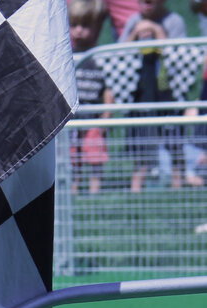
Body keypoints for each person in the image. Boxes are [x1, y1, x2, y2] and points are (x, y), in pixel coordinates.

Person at [120, 0, 184, 191]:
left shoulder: (174, 21)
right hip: (141, 92)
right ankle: (136, 188)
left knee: (173, 139)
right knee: (140, 140)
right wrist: (134, 34)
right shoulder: (134, 21)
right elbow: (118, 55)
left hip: (168, 91)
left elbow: (180, 58)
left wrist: (158, 33)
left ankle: (177, 185)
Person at [70, 0, 112, 195]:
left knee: (95, 154)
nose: (79, 30)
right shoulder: (66, 55)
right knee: (73, 157)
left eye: (85, 26)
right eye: (74, 25)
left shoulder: (100, 57)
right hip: (72, 118)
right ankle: (74, 189)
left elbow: (108, 89)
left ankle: (95, 192)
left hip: (94, 118)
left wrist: (106, 114)